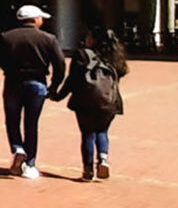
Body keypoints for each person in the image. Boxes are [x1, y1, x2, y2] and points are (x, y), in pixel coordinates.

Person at [0, 5, 65, 179]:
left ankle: (17, 147)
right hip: (38, 83)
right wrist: (54, 87)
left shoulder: (6, 37)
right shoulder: (48, 39)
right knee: (32, 123)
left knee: (12, 119)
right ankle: (30, 163)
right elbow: (60, 65)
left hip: (13, 82)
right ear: (35, 20)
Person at [51, 26, 129, 181]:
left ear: (93, 39)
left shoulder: (82, 54)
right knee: (102, 131)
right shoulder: (115, 56)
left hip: (85, 100)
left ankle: (88, 170)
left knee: (87, 133)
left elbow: (72, 80)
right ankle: (103, 159)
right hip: (109, 100)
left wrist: (58, 95)